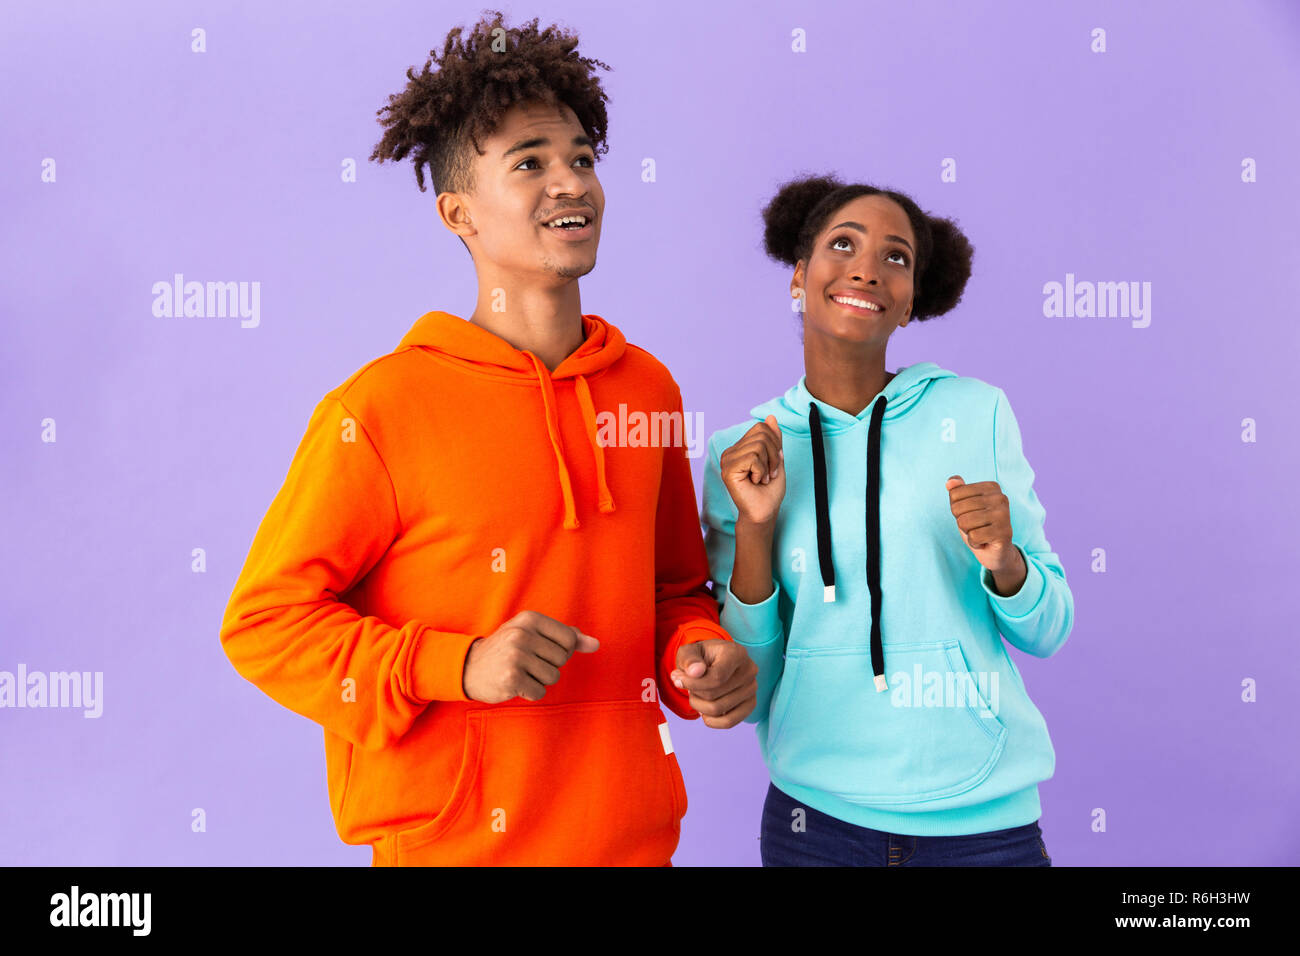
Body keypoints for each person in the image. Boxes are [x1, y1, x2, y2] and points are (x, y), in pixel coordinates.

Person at [219, 10, 756, 867]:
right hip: (456, 851)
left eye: (582, 159)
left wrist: (704, 655)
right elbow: (264, 624)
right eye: (530, 164)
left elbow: (673, 592)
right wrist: (455, 665)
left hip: (633, 842)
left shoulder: (647, 390)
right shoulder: (382, 407)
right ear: (458, 212)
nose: (571, 183)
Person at [697, 174, 1074, 866]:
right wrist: (756, 526)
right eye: (844, 244)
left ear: (908, 307)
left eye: (896, 257)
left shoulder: (976, 412)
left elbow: (1049, 629)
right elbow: (748, 691)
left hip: (984, 823)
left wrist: (1006, 559)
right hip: (816, 824)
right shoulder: (739, 453)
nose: (868, 268)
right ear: (799, 278)